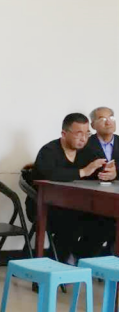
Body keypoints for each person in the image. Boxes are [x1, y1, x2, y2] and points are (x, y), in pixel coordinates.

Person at [30, 113, 116, 263]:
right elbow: (49, 173)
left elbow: (99, 170)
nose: (83, 139)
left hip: (76, 205)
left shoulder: (87, 151)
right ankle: (57, 262)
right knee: (71, 223)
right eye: (78, 134)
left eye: (87, 133)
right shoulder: (49, 151)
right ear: (64, 134)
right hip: (44, 205)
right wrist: (82, 172)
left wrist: (110, 173)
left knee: (107, 221)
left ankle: (79, 257)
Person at [86, 107, 119, 180]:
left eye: (111, 118)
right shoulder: (85, 144)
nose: (108, 122)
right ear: (93, 125)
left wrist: (115, 175)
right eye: (102, 119)